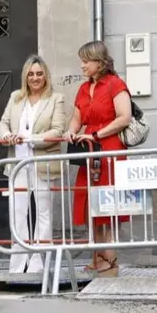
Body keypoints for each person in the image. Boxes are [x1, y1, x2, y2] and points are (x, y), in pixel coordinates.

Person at [62, 40, 133, 277]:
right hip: (89, 149)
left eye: (86, 61)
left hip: (109, 148)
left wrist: (96, 134)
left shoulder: (115, 84)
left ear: (99, 62)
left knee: (108, 203)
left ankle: (109, 259)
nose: (82, 65)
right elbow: (77, 118)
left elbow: (124, 117)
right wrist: (72, 131)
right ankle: (98, 256)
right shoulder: (84, 89)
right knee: (90, 203)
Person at [0, 55, 67, 274]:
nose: (35, 78)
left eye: (39, 74)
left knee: (44, 214)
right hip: (18, 164)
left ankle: (38, 263)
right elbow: (3, 123)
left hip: (43, 164)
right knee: (18, 214)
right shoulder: (16, 97)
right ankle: (18, 265)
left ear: (45, 76)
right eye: (31, 74)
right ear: (25, 76)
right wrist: (7, 135)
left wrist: (30, 139)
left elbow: (58, 130)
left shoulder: (56, 98)